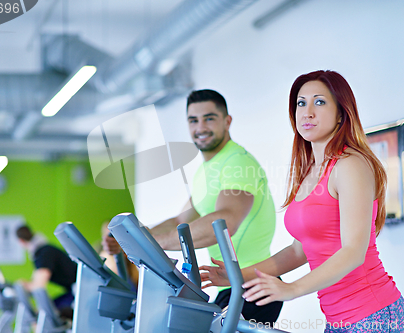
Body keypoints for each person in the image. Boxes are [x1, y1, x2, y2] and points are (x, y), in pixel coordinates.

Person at [200, 71, 404, 332]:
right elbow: (298, 250)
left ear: (341, 114)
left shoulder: (351, 164)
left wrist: (292, 289)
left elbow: (354, 251)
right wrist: (238, 275)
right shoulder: (311, 171)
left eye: (319, 102)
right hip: (340, 319)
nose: (307, 112)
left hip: (374, 313)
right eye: (301, 103)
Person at [103, 89, 283, 324]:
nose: (201, 127)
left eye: (209, 118)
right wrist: (133, 237)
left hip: (254, 285)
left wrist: (152, 244)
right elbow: (181, 222)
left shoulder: (237, 163)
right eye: (193, 120)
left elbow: (226, 221)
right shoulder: (206, 170)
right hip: (230, 285)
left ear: (227, 121)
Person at [16, 225, 77, 318]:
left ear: (21, 241)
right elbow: (36, 280)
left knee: (46, 315)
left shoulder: (43, 253)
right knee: (44, 313)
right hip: (72, 290)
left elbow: (39, 285)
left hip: (78, 291)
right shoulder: (42, 251)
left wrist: (23, 286)